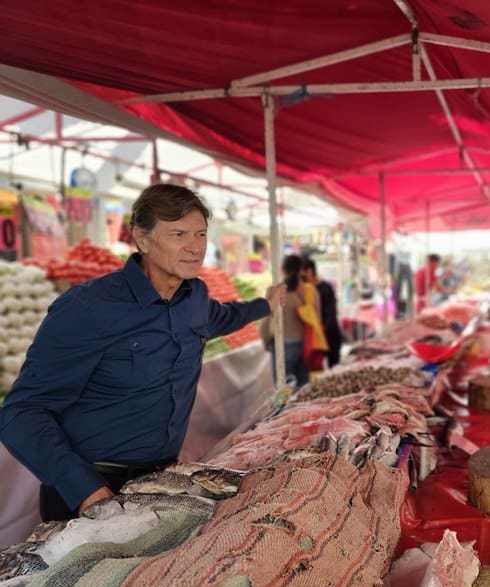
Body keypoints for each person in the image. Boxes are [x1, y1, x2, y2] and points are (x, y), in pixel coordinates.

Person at [0, 184, 280, 522]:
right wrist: (87, 491)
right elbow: (21, 413)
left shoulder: (195, 298)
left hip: (158, 485)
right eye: (178, 234)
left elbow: (226, 317)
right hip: (91, 492)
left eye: (201, 234)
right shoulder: (88, 307)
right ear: (142, 239)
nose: (195, 247)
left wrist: (266, 304)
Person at [260, 254, 313, 388]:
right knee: (303, 387)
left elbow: (265, 321)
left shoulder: (277, 292)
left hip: (283, 345)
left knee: (284, 388)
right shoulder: (303, 291)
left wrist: (265, 340)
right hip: (301, 343)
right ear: (301, 269)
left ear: (283, 269)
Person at [303, 258, 343, 368]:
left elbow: (331, 313)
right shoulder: (306, 290)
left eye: (303, 275)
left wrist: (321, 331)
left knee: (333, 368)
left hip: (330, 336)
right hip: (317, 338)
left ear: (310, 272)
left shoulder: (325, 288)